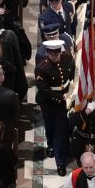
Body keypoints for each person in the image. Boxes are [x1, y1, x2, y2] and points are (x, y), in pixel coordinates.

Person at [35, 36, 75, 176]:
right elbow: (44, 90)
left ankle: (61, 162)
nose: (56, 57)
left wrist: (70, 91)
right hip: (49, 102)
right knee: (50, 125)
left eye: (57, 54)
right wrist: (60, 98)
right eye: (53, 54)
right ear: (48, 53)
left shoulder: (67, 58)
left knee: (60, 131)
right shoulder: (42, 68)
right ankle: (51, 144)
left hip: (64, 99)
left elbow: (71, 74)